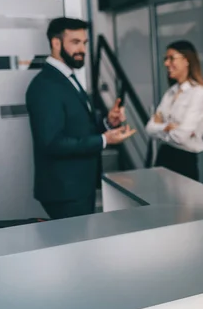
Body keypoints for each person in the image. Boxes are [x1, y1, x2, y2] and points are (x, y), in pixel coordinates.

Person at [26, 17, 135, 220]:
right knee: (74, 248)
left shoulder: (68, 78)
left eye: (84, 43)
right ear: (56, 43)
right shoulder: (45, 85)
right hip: (64, 191)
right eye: (75, 42)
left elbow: (78, 127)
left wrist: (108, 123)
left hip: (77, 186)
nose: (82, 49)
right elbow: (51, 143)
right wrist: (105, 140)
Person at [146, 40, 203, 181]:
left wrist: (161, 128)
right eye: (166, 59)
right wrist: (167, 127)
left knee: (184, 203)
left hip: (184, 161)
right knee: (161, 202)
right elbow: (149, 129)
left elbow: (181, 136)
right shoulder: (170, 93)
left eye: (171, 58)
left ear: (186, 60)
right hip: (163, 157)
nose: (166, 63)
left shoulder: (199, 93)